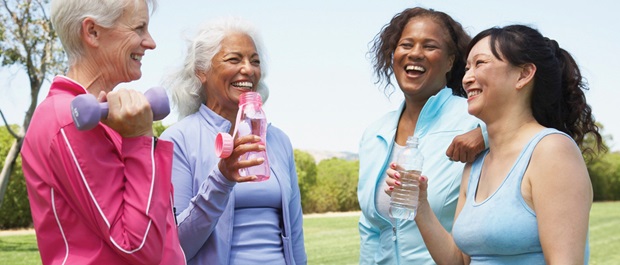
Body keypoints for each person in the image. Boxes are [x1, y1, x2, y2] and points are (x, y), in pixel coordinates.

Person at [387, 24, 604, 264]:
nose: (467, 78)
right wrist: (420, 204)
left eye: (480, 63)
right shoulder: (476, 165)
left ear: (523, 75)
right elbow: (459, 260)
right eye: (467, 67)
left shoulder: (551, 151)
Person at [20, 0, 186, 264]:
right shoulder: (67, 119)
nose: (151, 42)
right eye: (139, 28)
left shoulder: (112, 118)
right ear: (92, 32)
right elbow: (137, 246)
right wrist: (140, 139)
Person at [159, 17, 307, 265]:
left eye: (255, 61)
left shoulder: (279, 140)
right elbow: (177, 246)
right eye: (234, 59)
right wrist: (222, 179)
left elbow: (295, 232)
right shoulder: (178, 140)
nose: (249, 70)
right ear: (201, 70)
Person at [357, 7, 487, 265]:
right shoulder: (374, 134)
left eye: (429, 46)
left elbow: (535, 136)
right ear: (393, 54)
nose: (415, 53)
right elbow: (371, 229)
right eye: (406, 44)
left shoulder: (475, 118)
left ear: (451, 61)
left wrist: (488, 135)